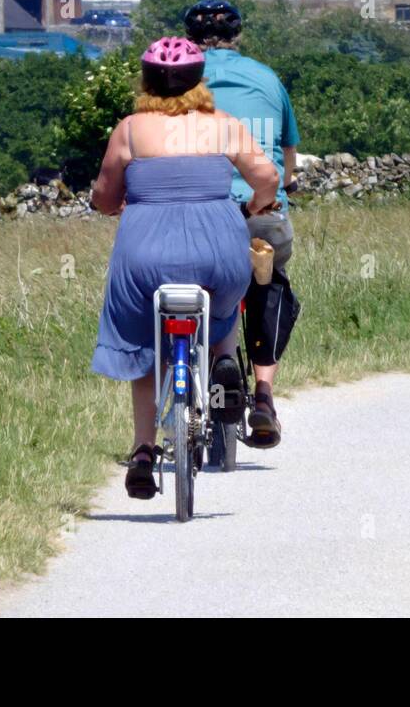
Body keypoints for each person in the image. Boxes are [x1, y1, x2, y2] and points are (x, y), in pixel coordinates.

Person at [90, 36, 280, 499]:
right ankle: (221, 363)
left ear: (146, 80)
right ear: (199, 78)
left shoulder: (130, 130)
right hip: (219, 248)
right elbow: (269, 177)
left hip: (145, 254)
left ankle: (142, 451)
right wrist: (256, 204)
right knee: (226, 301)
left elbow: (103, 196)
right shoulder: (223, 125)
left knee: (139, 337)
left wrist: (114, 204)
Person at [184, 0, 300, 447]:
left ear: (189, 41)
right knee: (270, 284)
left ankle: (216, 360)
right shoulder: (268, 78)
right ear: (238, 36)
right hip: (261, 211)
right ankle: (265, 398)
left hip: (201, 211)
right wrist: (285, 187)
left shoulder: (180, 84)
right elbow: (286, 159)